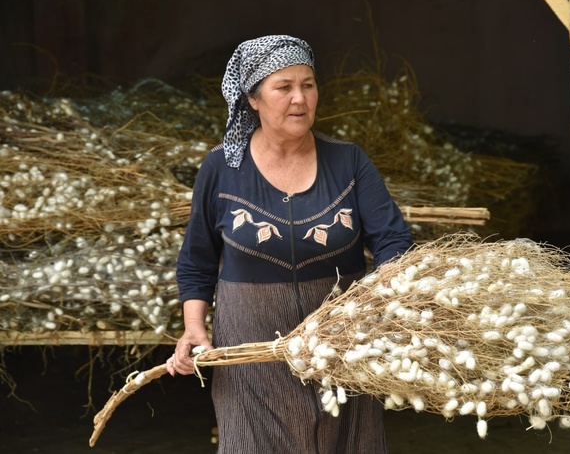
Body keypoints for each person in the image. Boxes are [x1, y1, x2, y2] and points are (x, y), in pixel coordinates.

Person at [166, 34, 413, 453]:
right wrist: (194, 328)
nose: (300, 98)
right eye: (284, 87)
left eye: (308, 85)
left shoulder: (349, 161)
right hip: (250, 357)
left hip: (341, 350)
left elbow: (393, 238)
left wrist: (376, 306)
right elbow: (197, 261)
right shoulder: (221, 169)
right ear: (253, 99)